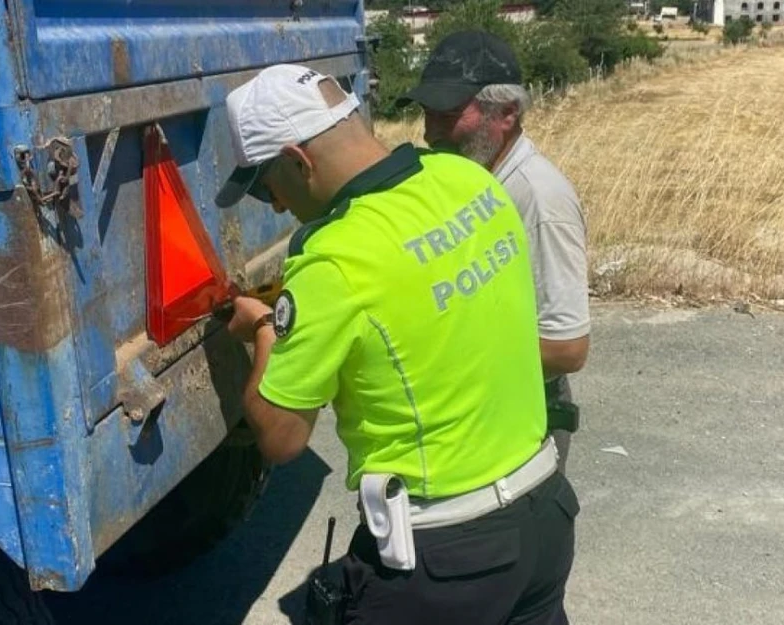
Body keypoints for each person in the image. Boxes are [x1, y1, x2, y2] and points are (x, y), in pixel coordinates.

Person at [214, 63, 578, 625]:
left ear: (295, 160)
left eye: (267, 189)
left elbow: (281, 438)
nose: (279, 206)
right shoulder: (469, 180)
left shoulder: (332, 260)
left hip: (445, 562)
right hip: (545, 516)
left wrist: (265, 329)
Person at [397, 30, 592, 473]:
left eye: (447, 115)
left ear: (507, 113)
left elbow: (567, 348)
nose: (430, 132)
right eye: (428, 113)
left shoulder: (538, 200)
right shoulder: (476, 180)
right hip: (483, 412)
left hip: (525, 419)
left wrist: (444, 355)